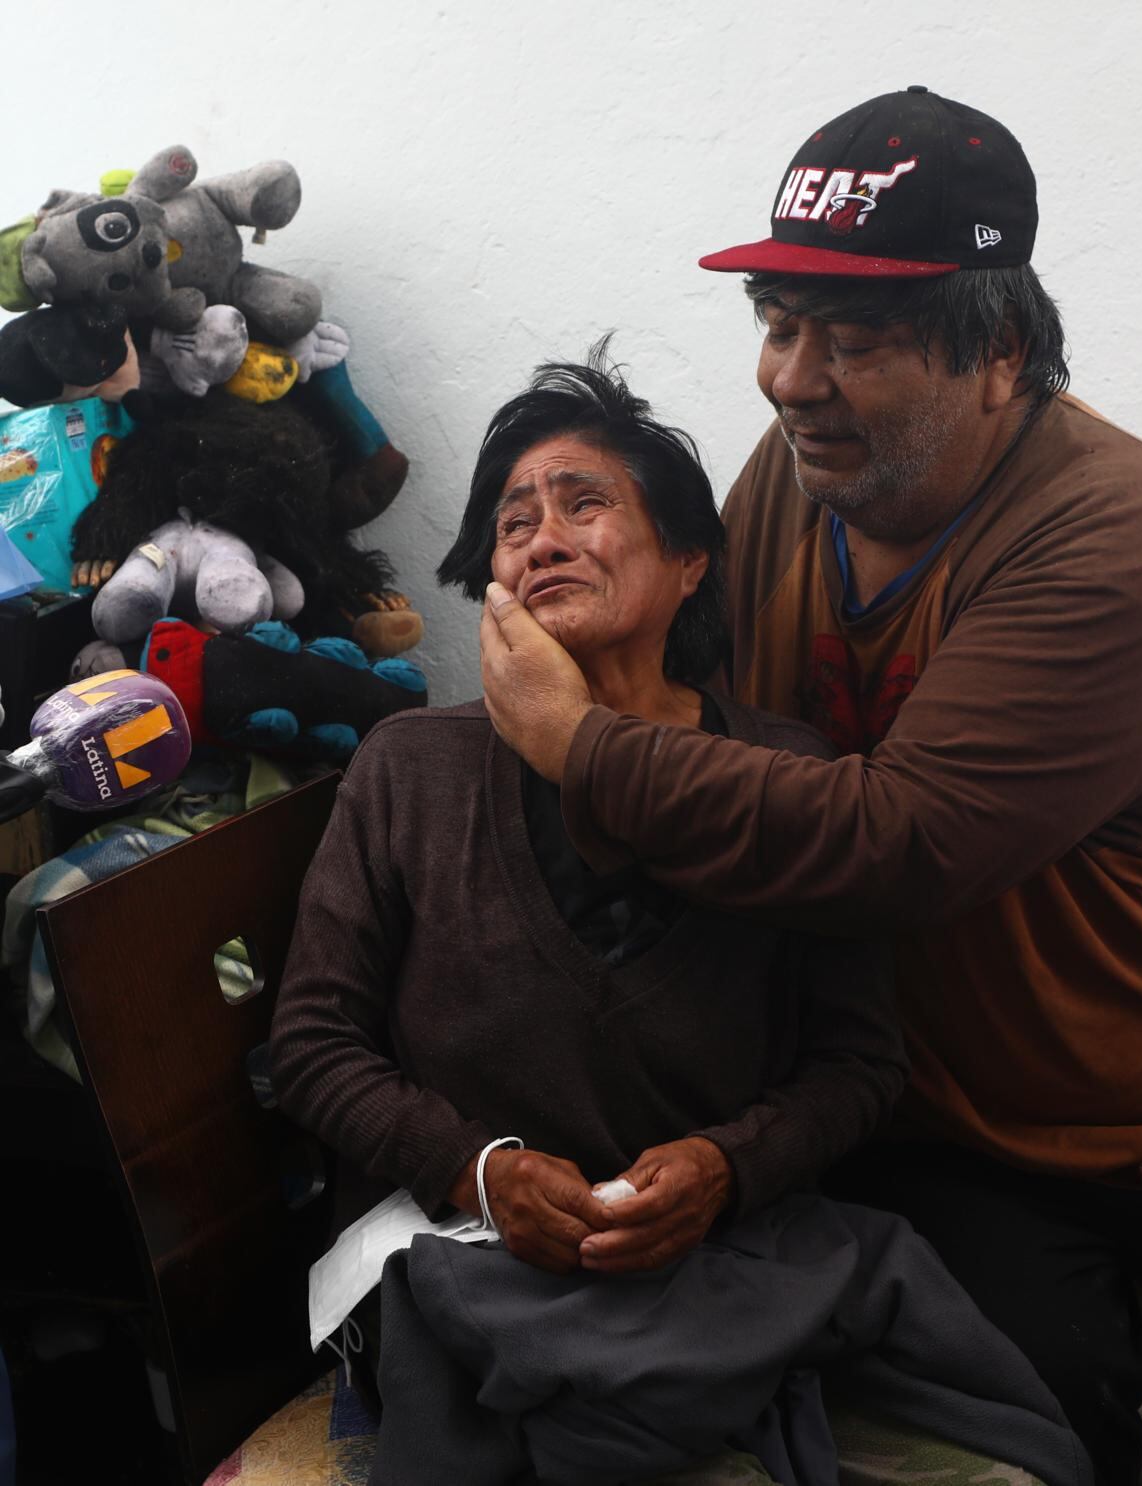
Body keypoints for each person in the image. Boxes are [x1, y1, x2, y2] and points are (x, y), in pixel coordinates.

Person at [478, 89, 1142, 1483]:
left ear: (998, 349)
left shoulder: (1118, 529)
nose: (790, 379)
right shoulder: (790, 480)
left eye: (856, 341)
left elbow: (899, 843)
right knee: (1006, 1402)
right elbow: (707, 712)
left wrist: (573, 740)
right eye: (777, 324)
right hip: (942, 1117)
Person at [268, 350, 1090, 1485]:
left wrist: (723, 1166)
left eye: (584, 503)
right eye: (513, 523)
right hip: (468, 1257)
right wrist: (479, 1168)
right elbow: (311, 1043)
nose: (542, 538)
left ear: (691, 562)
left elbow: (856, 1062)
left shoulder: (783, 775)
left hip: (731, 1251)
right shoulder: (412, 769)